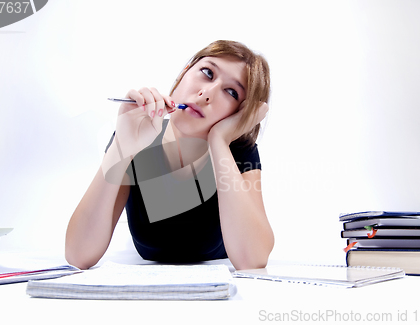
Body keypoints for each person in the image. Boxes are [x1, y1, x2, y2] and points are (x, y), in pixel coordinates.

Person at [65, 40, 274, 270]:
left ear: (241, 111)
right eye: (207, 73)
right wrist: (121, 147)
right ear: (185, 73)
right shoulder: (137, 136)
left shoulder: (239, 151)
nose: (206, 94)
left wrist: (220, 141)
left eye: (231, 92)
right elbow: (78, 255)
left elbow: (252, 260)